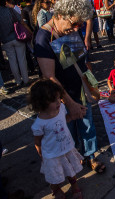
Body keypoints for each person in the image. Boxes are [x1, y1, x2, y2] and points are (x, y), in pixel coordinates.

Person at [34, 0, 106, 174]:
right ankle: (73, 159)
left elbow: (80, 59)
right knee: (68, 131)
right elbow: (49, 76)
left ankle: (90, 156)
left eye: (80, 24)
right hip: (61, 98)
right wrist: (69, 103)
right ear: (59, 15)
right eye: (74, 24)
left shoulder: (70, 28)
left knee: (88, 125)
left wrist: (90, 81)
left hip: (81, 89)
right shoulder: (43, 37)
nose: (76, 29)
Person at [28, 79, 83, 199]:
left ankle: (74, 185)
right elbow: (37, 141)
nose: (59, 101)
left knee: (70, 170)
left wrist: (72, 116)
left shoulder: (61, 108)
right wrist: (41, 154)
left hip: (67, 148)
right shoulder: (39, 124)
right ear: (41, 103)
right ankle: (55, 188)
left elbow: (64, 120)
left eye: (59, 98)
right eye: (54, 100)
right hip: (52, 154)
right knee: (54, 175)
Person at [0, 0, 29, 86]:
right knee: (22, 59)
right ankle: (26, 79)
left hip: (5, 40)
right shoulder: (9, 10)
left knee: (12, 61)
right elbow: (21, 20)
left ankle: (18, 81)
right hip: (17, 36)